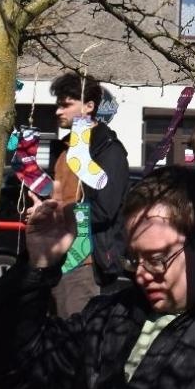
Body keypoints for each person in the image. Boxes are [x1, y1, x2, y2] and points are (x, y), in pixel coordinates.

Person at [0, 56, 195, 389]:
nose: (141, 274)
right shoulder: (110, 317)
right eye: (135, 259)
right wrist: (37, 266)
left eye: (157, 258)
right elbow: (14, 367)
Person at [49, 70, 131, 314]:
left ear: (89, 106)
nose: (58, 111)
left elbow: (104, 210)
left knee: (74, 330)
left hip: (83, 261)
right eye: (57, 104)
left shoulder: (108, 151)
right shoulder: (63, 148)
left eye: (66, 105)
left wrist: (58, 214)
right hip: (53, 256)